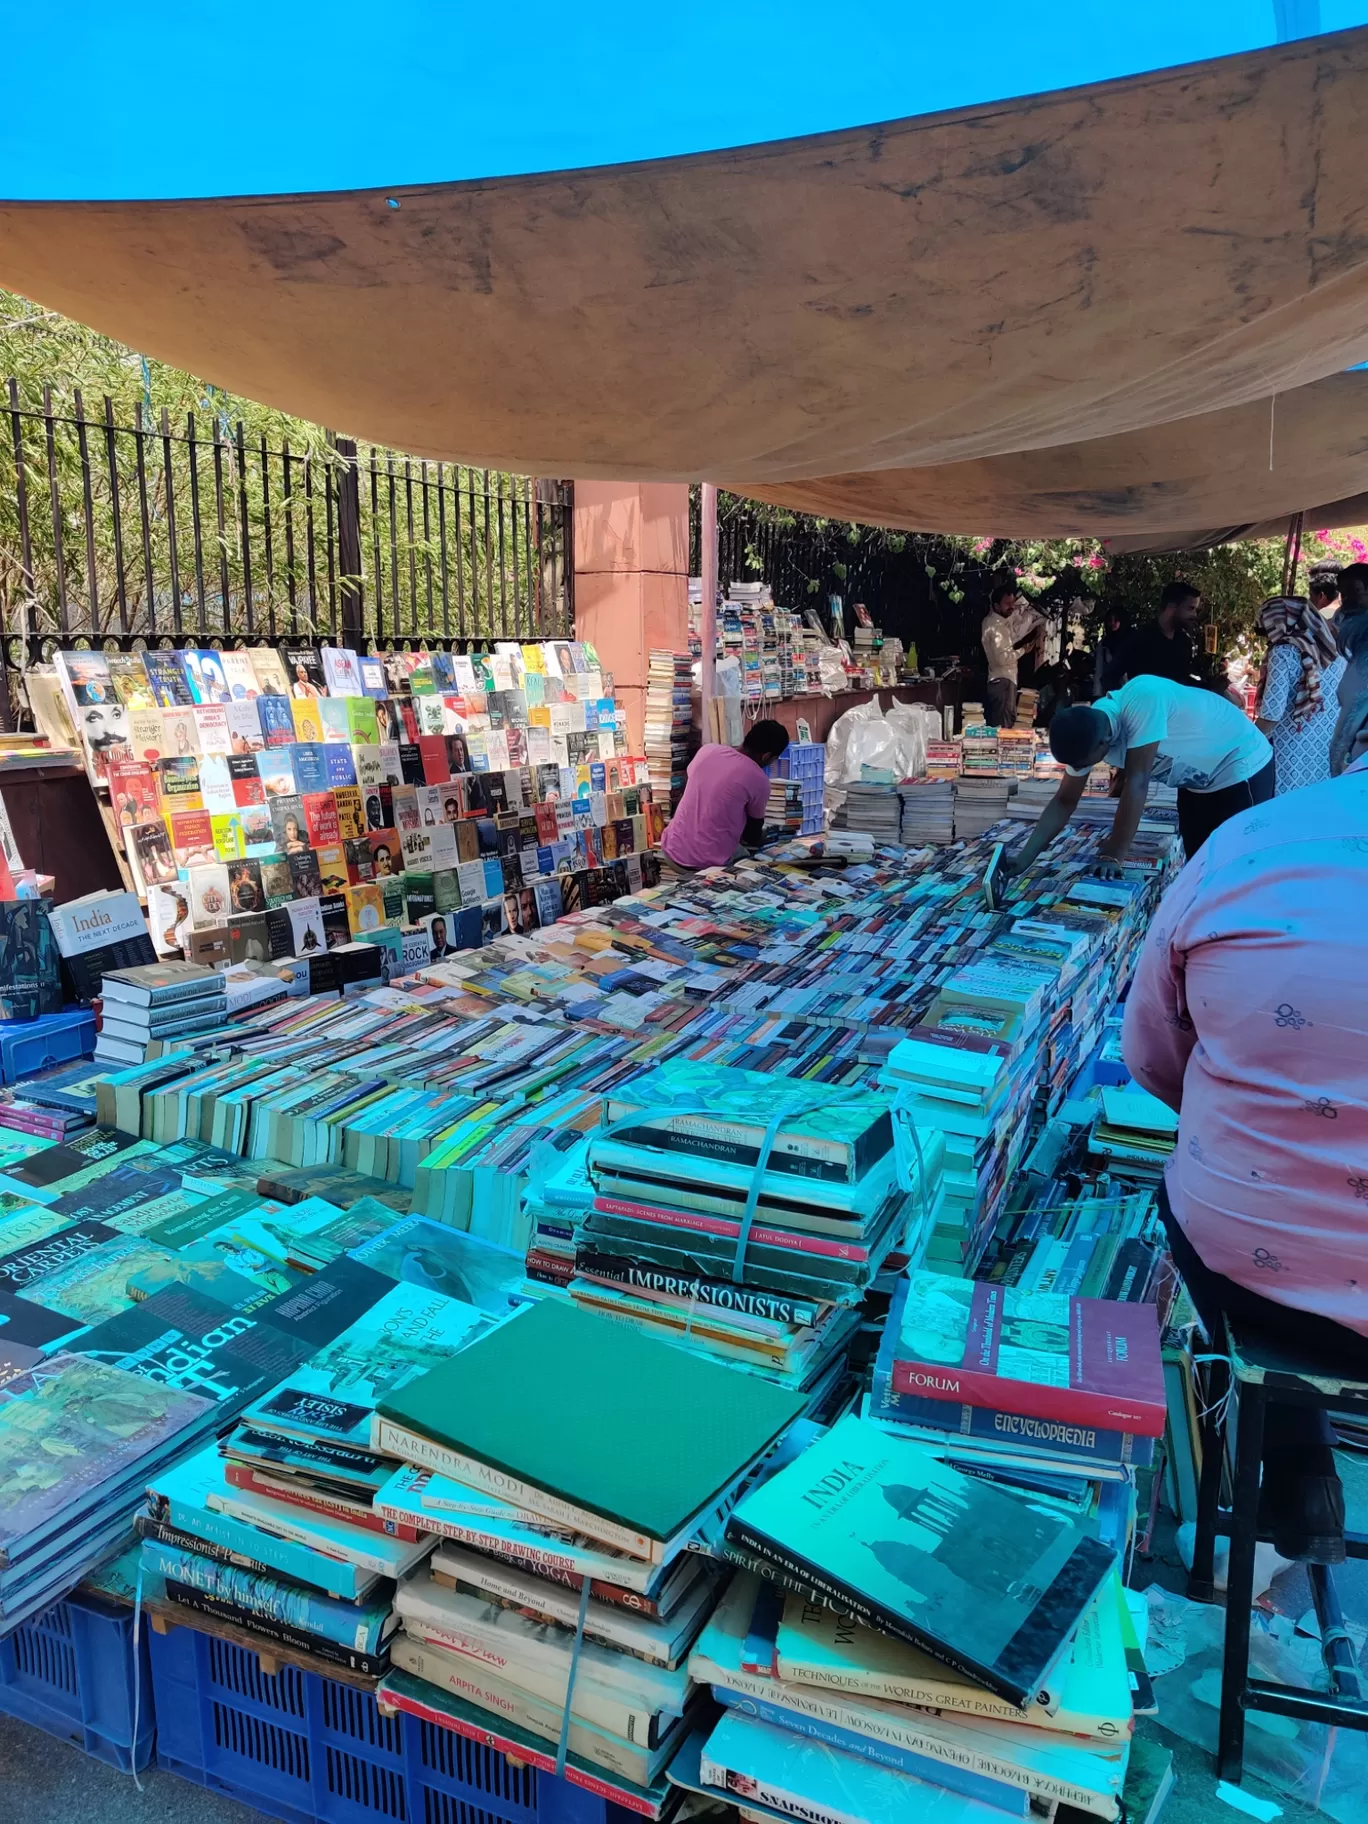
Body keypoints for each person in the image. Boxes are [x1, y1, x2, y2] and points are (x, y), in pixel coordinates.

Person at [1122, 756, 1368, 1561]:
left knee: (1219, 1208)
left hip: (1253, 1274)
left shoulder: (1248, 844)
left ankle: (1297, 1460)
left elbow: (1156, 1057)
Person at [1003, 676, 1273, 876]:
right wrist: (1025, 857)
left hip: (1241, 763)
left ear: (1105, 742)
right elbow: (1065, 799)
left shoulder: (1143, 699)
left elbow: (1137, 781)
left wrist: (1113, 854)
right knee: (1199, 868)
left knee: (1236, 868)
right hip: (1197, 779)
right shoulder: (1088, 732)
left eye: (1084, 765)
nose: (1080, 771)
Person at [661, 720, 790, 872]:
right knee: (751, 861)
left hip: (671, 848)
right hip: (707, 863)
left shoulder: (707, 750)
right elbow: (752, 835)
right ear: (767, 756)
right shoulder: (759, 779)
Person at [1253, 595, 1345, 792]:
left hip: (1289, 753)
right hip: (1324, 750)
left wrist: (1245, 744)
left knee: (1284, 812)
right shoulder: (1334, 651)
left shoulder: (1284, 652)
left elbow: (1271, 715)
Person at [980, 579, 1044, 729]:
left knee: (1005, 722)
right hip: (1002, 680)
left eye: (1012, 603)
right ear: (996, 606)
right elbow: (1003, 659)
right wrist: (1023, 650)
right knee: (1003, 725)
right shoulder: (995, 626)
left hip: (1003, 680)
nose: (1011, 607)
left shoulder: (999, 622)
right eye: (1007, 604)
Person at [1091, 611, 1127, 698]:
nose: (1113, 623)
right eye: (1110, 620)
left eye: (1116, 620)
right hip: (1109, 691)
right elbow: (1099, 670)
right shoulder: (1103, 645)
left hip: (1128, 690)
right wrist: (1097, 694)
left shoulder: (1129, 642)